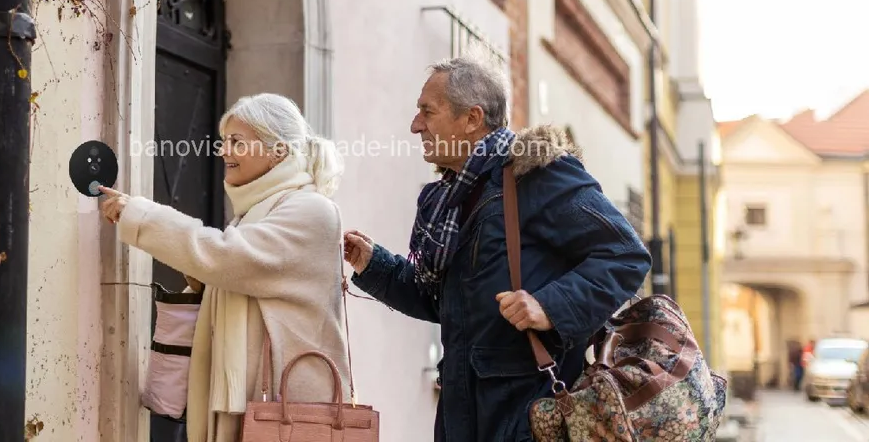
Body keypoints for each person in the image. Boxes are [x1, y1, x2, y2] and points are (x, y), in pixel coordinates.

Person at [343, 57, 651, 441]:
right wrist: (375, 265)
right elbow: (445, 303)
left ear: (472, 119)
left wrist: (548, 306)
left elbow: (625, 255)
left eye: (427, 111)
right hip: (463, 416)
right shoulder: (452, 199)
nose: (415, 125)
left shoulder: (536, 173)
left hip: (530, 417)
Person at [99, 93, 350, 442]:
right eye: (223, 141)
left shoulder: (311, 210)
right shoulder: (259, 213)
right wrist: (206, 280)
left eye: (237, 141)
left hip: (288, 410)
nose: (224, 151)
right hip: (260, 402)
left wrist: (142, 217)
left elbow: (228, 258)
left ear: (277, 150)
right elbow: (236, 270)